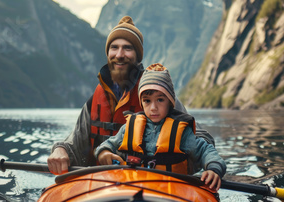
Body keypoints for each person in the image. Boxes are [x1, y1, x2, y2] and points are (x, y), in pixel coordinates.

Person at [47, 16, 215, 175]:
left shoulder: (156, 96)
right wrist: (60, 149)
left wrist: (210, 165)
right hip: (101, 186)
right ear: (108, 53)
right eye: (114, 47)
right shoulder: (94, 101)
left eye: (127, 48)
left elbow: (201, 138)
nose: (119, 54)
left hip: (150, 185)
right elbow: (73, 144)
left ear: (137, 56)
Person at [94, 63, 226, 191]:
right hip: (134, 187)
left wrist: (213, 169)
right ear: (141, 102)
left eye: (160, 100)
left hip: (172, 190)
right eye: (147, 101)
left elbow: (205, 150)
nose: (153, 108)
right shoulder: (129, 128)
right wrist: (103, 152)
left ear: (170, 102)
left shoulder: (182, 133)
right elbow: (107, 145)